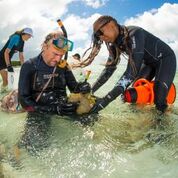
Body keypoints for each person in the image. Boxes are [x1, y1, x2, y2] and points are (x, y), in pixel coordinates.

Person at [77, 15, 176, 113]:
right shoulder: (114, 45)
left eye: (100, 32)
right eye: (98, 36)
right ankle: (143, 115)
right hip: (148, 63)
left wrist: (106, 100)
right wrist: (91, 92)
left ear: (111, 24)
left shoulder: (134, 34)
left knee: (159, 100)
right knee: (132, 95)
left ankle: (165, 117)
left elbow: (131, 72)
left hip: (165, 59)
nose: (101, 38)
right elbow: (108, 70)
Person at [17, 31, 91, 153]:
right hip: (39, 110)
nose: (58, 59)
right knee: (35, 148)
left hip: (64, 107)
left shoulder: (63, 66)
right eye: (55, 54)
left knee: (90, 122)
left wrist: (83, 87)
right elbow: (24, 102)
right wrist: (52, 109)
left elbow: (74, 88)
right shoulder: (29, 65)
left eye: (61, 55)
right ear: (44, 46)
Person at [0, 27, 33, 92]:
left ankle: (2, 91)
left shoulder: (22, 42)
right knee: (6, 81)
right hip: (1, 58)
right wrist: (9, 65)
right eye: (29, 36)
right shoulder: (16, 37)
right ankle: (1, 94)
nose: (29, 38)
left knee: (8, 81)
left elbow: (21, 56)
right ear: (25, 34)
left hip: (7, 59)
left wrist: (24, 67)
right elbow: (6, 52)